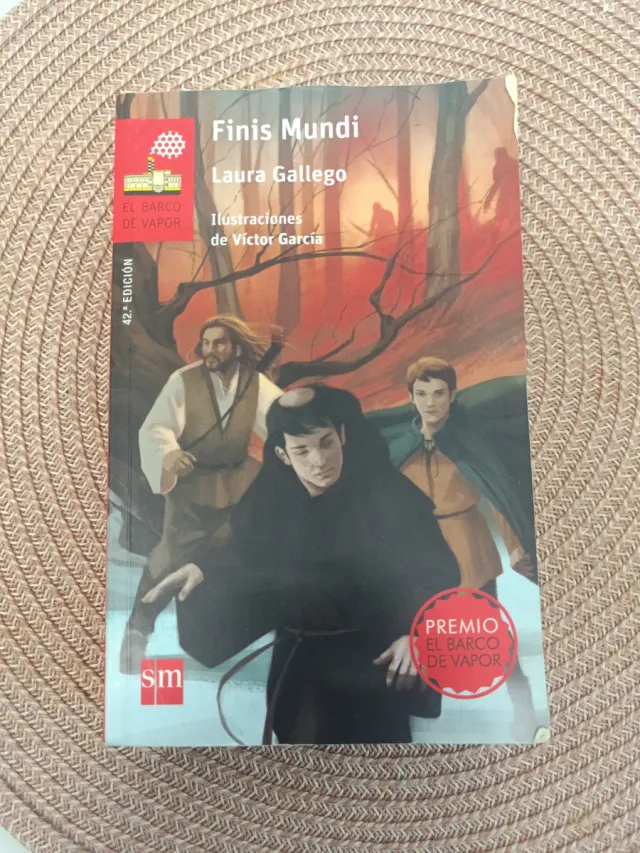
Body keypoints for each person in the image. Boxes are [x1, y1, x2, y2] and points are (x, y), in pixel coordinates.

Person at [143, 385, 461, 745]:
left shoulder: (391, 497)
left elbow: (439, 574)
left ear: (343, 435)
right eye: (302, 450)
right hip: (297, 663)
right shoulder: (272, 498)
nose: (319, 460)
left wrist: (418, 633)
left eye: (326, 443)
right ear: (282, 454)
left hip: (369, 668)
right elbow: (246, 552)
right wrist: (203, 568)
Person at [368, 357, 539, 737]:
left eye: (439, 393)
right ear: (411, 397)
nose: (430, 402)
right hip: (414, 553)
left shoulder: (469, 441)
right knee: (409, 631)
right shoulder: (399, 446)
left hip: (467, 546)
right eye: (422, 393)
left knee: (489, 636)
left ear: (453, 396)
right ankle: (408, 720)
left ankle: (523, 704)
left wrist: (514, 548)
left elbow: (497, 493)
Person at [119, 315, 282, 674]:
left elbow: (281, 422)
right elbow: (157, 427)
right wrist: (169, 455)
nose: (210, 350)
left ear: (235, 348)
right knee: (168, 558)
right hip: (192, 484)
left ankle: (231, 635)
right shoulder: (184, 380)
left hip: (240, 483)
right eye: (206, 343)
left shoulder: (254, 383)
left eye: (219, 343)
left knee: (237, 553)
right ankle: (138, 631)